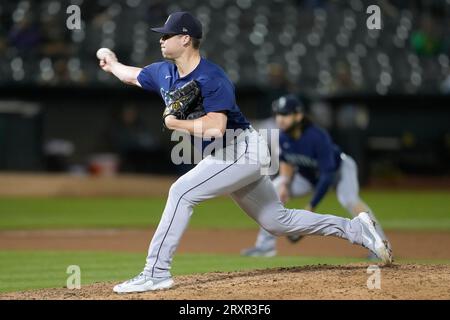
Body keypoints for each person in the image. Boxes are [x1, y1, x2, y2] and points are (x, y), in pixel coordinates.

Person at [98, 11, 393, 294]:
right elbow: (133, 76)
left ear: (186, 39)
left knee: (181, 192)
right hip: (226, 156)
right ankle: (355, 229)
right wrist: (112, 64)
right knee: (278, 222)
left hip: (242, 150)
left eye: (168, 35)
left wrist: (176, 123)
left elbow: (216, 127)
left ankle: (155, 274)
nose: (161, 40)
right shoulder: (164, 72)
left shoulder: (212, 77)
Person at [241, 95, 389, 259]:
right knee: (275, 188)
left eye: (285, 114)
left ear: (298, 115)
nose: (280, 119)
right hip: (308, 175)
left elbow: (327, 176)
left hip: (339, 170)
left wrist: (311, 206)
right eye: (278, 114)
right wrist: (284, 183)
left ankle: (380, 243)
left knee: (349, 200)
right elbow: (286, 161)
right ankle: (265, 246)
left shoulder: (317, 137)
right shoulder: (283, 137)